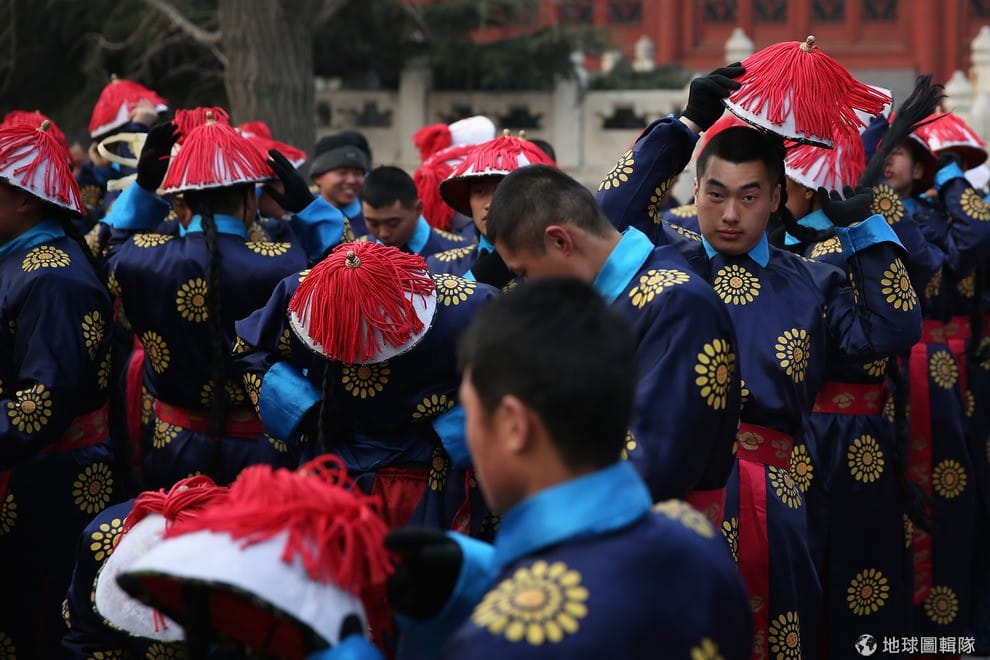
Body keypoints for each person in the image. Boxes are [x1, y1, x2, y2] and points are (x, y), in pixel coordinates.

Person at [387, 278, 752, 658]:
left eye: (470, 412)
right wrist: (484, 574)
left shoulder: (503, 638)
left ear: (514, 425)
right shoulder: (697, 538)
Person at [486, 165, 740, 523]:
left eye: (524, 273)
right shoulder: (606, 303)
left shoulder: (678, 304)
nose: (527, 288)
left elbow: (654, 465)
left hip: (658, 536)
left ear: (560, 241)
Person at [104, 115, 343, 490]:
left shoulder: (139, 258)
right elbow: (348, 271)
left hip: (174, 445)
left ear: (180, 206)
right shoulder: (287, 262)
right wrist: (307, 208)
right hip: (265, 450)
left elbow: (110, 242)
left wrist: (144, 187)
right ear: (249, 201)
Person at [0, 118, 121, 657]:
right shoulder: (18, 257)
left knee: (37, 610)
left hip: (48, 478)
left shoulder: (53, 279)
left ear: (26, 201)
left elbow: (39, 407)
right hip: (26, 466)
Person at [426, 132, 556, 290]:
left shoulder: (559, 267)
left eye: (502, 191)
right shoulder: (440, 267)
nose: (489, 204)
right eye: (479, 192)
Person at [360, 166, 469, 256]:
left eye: (393, 223)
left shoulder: (461, 253)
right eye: (373, 224)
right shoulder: (356, 253)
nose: (383, 233)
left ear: (418, 209)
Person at [310, 130, 372, 238]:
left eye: (357, 173)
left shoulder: (373, 216)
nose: (351, 180)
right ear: (317, 178)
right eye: (342, 173)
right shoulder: (302, 215)